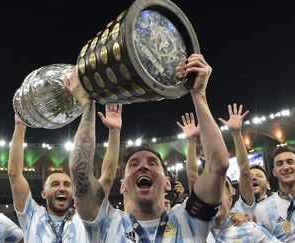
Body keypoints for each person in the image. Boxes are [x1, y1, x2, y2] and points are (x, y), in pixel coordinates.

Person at [64, 53, 229, 242]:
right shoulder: (105, 223)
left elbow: (218, 166)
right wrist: (88, 104)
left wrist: (198, 94)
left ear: (167, 182)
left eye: (153, 163)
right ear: (123, 186)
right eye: (133, 164)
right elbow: (79, 171)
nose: (143, 166)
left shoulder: (189, 219)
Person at [8, 103, 122, 242]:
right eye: (55, 184)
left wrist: (114, 131)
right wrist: (20, 125)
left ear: (74, 194)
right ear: (44, 193)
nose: (62, 188)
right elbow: (14, 174)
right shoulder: (31, 215)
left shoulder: (86, 217)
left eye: (67, 185)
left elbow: (107, 178)